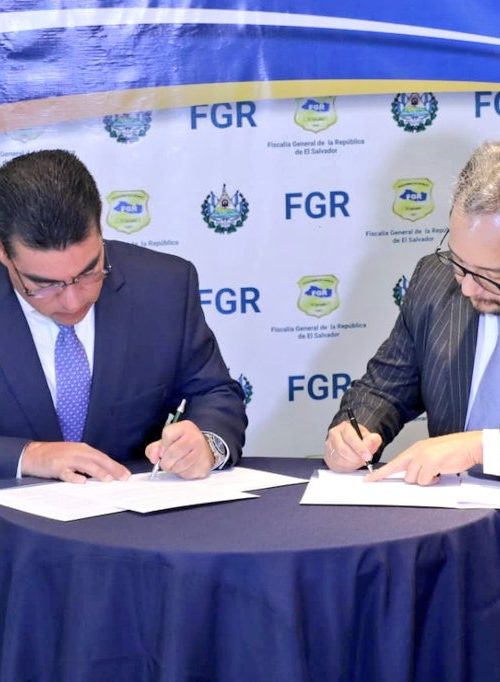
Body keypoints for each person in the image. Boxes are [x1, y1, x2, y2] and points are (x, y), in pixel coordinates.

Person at [0, 149, 247, 483]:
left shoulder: (164, 286)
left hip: (134, 508)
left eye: (89, 272)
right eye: (45, 285)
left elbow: (214, 393)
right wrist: (28, 456)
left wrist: (205, 443)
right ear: (4, 253)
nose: (72, 301)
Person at [325, 141, 500, 485]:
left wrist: (481, 448)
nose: (466, 288)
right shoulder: (434, 280)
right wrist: (353, 434)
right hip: (454, 513)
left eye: (488, 275)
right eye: (458, 263)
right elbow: (385, 389)